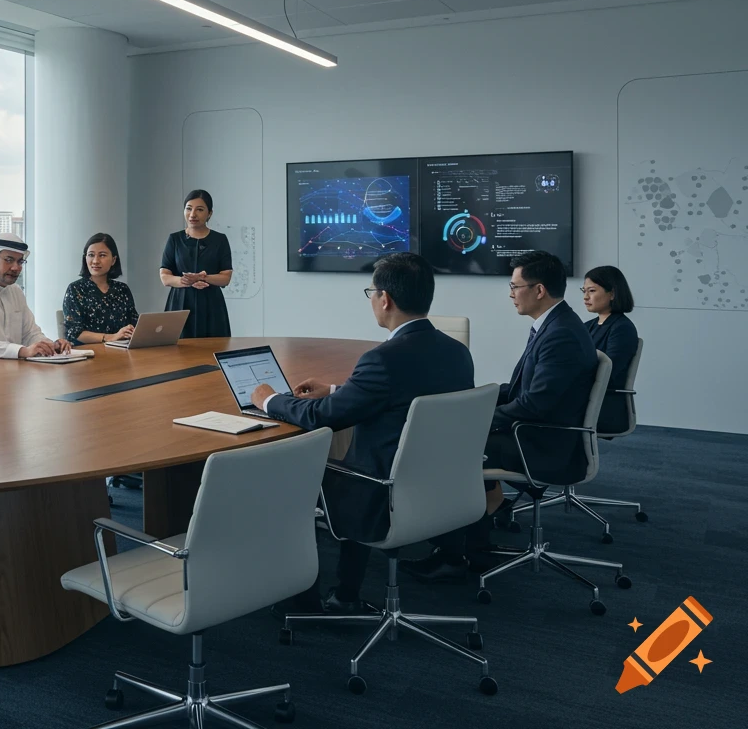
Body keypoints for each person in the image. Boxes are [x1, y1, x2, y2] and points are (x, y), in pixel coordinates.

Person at [247, 253, 474, 614]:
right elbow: (402, 397)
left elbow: (322, 417)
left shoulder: (383, 359)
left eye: (371, 292)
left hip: (381, 489)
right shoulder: (457, 352)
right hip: (440, 487)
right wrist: (338, 389)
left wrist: (269, 399)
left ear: (385, 299)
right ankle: (345, 592)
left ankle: (307, 603)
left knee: (288, 479)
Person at [404, 250, 598, 583]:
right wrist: (477, 399)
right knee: (460, 439)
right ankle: (478, 522)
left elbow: (535, 405)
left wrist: (476, 417)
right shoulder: (554, 323)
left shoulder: (561, 334)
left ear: (539, 290)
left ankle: (458, 551)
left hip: (542, 442)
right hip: (541, 430)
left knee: (451, 449)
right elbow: (523, 389)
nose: (510, 293)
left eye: (515, 286)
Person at [160, 189, 233, 338]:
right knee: (177, 353)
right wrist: (186, 281)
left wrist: (203, 278)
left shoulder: (220, 240)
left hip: (211, 303)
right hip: (180, 301)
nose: (193, 214)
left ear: (210, 213)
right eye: (188, 208)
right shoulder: (175, 239)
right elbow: (165, 276)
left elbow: (226, 277)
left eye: (199, 209)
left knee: (213, 349)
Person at [581, 265, 639, 435]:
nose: (585, 297)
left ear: (612, 293)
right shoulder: (587, 327)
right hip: (583, 397)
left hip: (603, 403)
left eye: (591, 291)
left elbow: (607, 373)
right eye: (583, 291)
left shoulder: (622, 328)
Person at [62, 232, 139, 344]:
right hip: (88, 354)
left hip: (120, 351)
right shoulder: (75, 289)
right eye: (91, 255)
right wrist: (111, 337)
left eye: (102, 255)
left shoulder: (122, 289)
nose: (95, 261)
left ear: (113, 260)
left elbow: (134, 323)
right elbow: (74, 332)